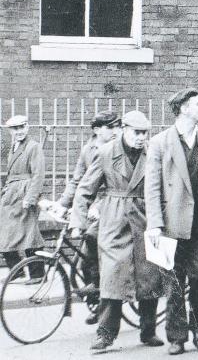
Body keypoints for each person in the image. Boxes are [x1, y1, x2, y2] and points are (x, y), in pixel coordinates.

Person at [72, 110, 168, 352]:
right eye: (137, 132)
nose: (141, 137)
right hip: (115, 220)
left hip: (147, 217)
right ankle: (105, 334)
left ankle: (148, 331)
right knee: (112, 277)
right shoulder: (106, 153)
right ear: (124, 129)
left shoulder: (153, 152)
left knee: (150, 275)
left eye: (145, 133)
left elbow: (165, 187)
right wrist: (78, 221)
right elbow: (85, 188)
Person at [146, 88, 198, 355]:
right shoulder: (160, 142)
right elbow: (152, 187)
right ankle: (176, 337)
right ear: (184, 109)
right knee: (173, 284)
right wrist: (154, 223)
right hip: (170, 224)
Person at [55, 110, 121, 324]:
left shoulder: (119, 148)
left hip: (111, 204)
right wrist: (61, 204)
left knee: (93, 239)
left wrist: (98, 207)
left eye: (117, 126)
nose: (115, 131)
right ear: (97, 130)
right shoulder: (88, 149)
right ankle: (97, 302)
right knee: (84, 261)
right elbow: (78, 181)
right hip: (92, 203)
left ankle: (106, 297)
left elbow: (116, 186)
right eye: (110, 127)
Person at [0, 115, 45, 280]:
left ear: (27, 127)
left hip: (25, 194)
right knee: (6, 232)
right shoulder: (14, 147)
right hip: (12, 195)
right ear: (10, 131)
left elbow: (38, 175)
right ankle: (16, 270)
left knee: (29, 235)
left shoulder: (33, 147)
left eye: (21, 127)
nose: (18, 131)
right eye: (15, 129)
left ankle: (38, 274)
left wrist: (31, 198)